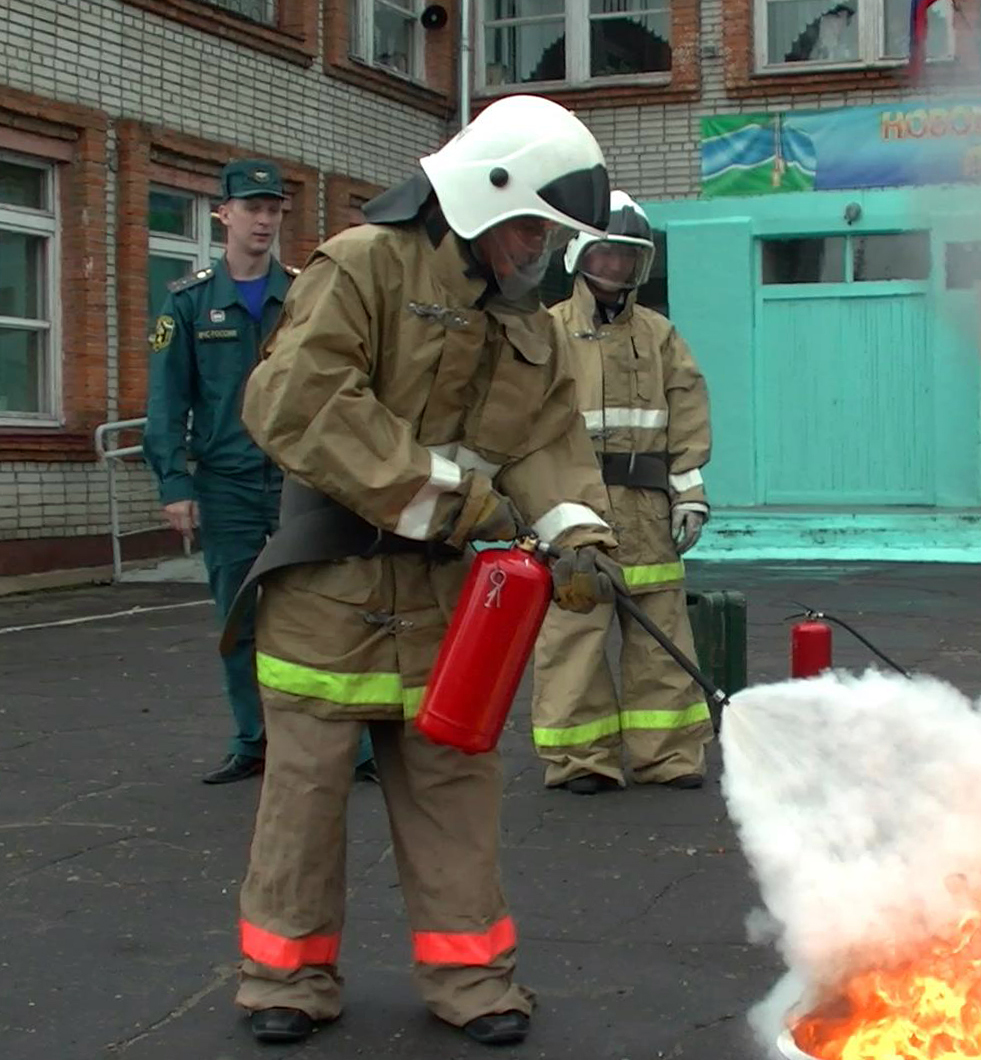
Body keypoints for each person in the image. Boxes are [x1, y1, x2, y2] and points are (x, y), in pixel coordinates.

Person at [219, 94, 630, 1047]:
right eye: (532, 227)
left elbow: (549, 441)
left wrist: (579, 534)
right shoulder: (365, 264)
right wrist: (453, 502)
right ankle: (285, 979)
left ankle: (474, 981)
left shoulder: (528, 323)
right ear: (485, 199)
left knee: (454, 791)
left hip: (448, 600)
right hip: (330, 590)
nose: (541, 251)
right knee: (306, 799)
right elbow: (298, 401)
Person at [143, 158, 377, 786]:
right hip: (228, 485)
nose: (264, 220)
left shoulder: (303, 293)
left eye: (274, 209)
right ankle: (254, 740)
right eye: (252, 208)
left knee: (327, 612)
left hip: (303, 479)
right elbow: (168, 402)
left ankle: (350, 750)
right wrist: (174, 485)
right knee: (240, 617)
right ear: (224, 214)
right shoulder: (188, 303)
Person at [530, 190, 714, 795]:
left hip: (647, 510)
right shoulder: (546, 331)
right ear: (580, 253)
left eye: (627, 258)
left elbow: (687, 414)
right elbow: (519, 420)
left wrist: (689, 495)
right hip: (571, 508)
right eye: (606, 254)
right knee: (574, 634)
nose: (615, 268)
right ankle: (581, 758)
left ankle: (668, 755)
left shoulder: (660, 336)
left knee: (662, 632)